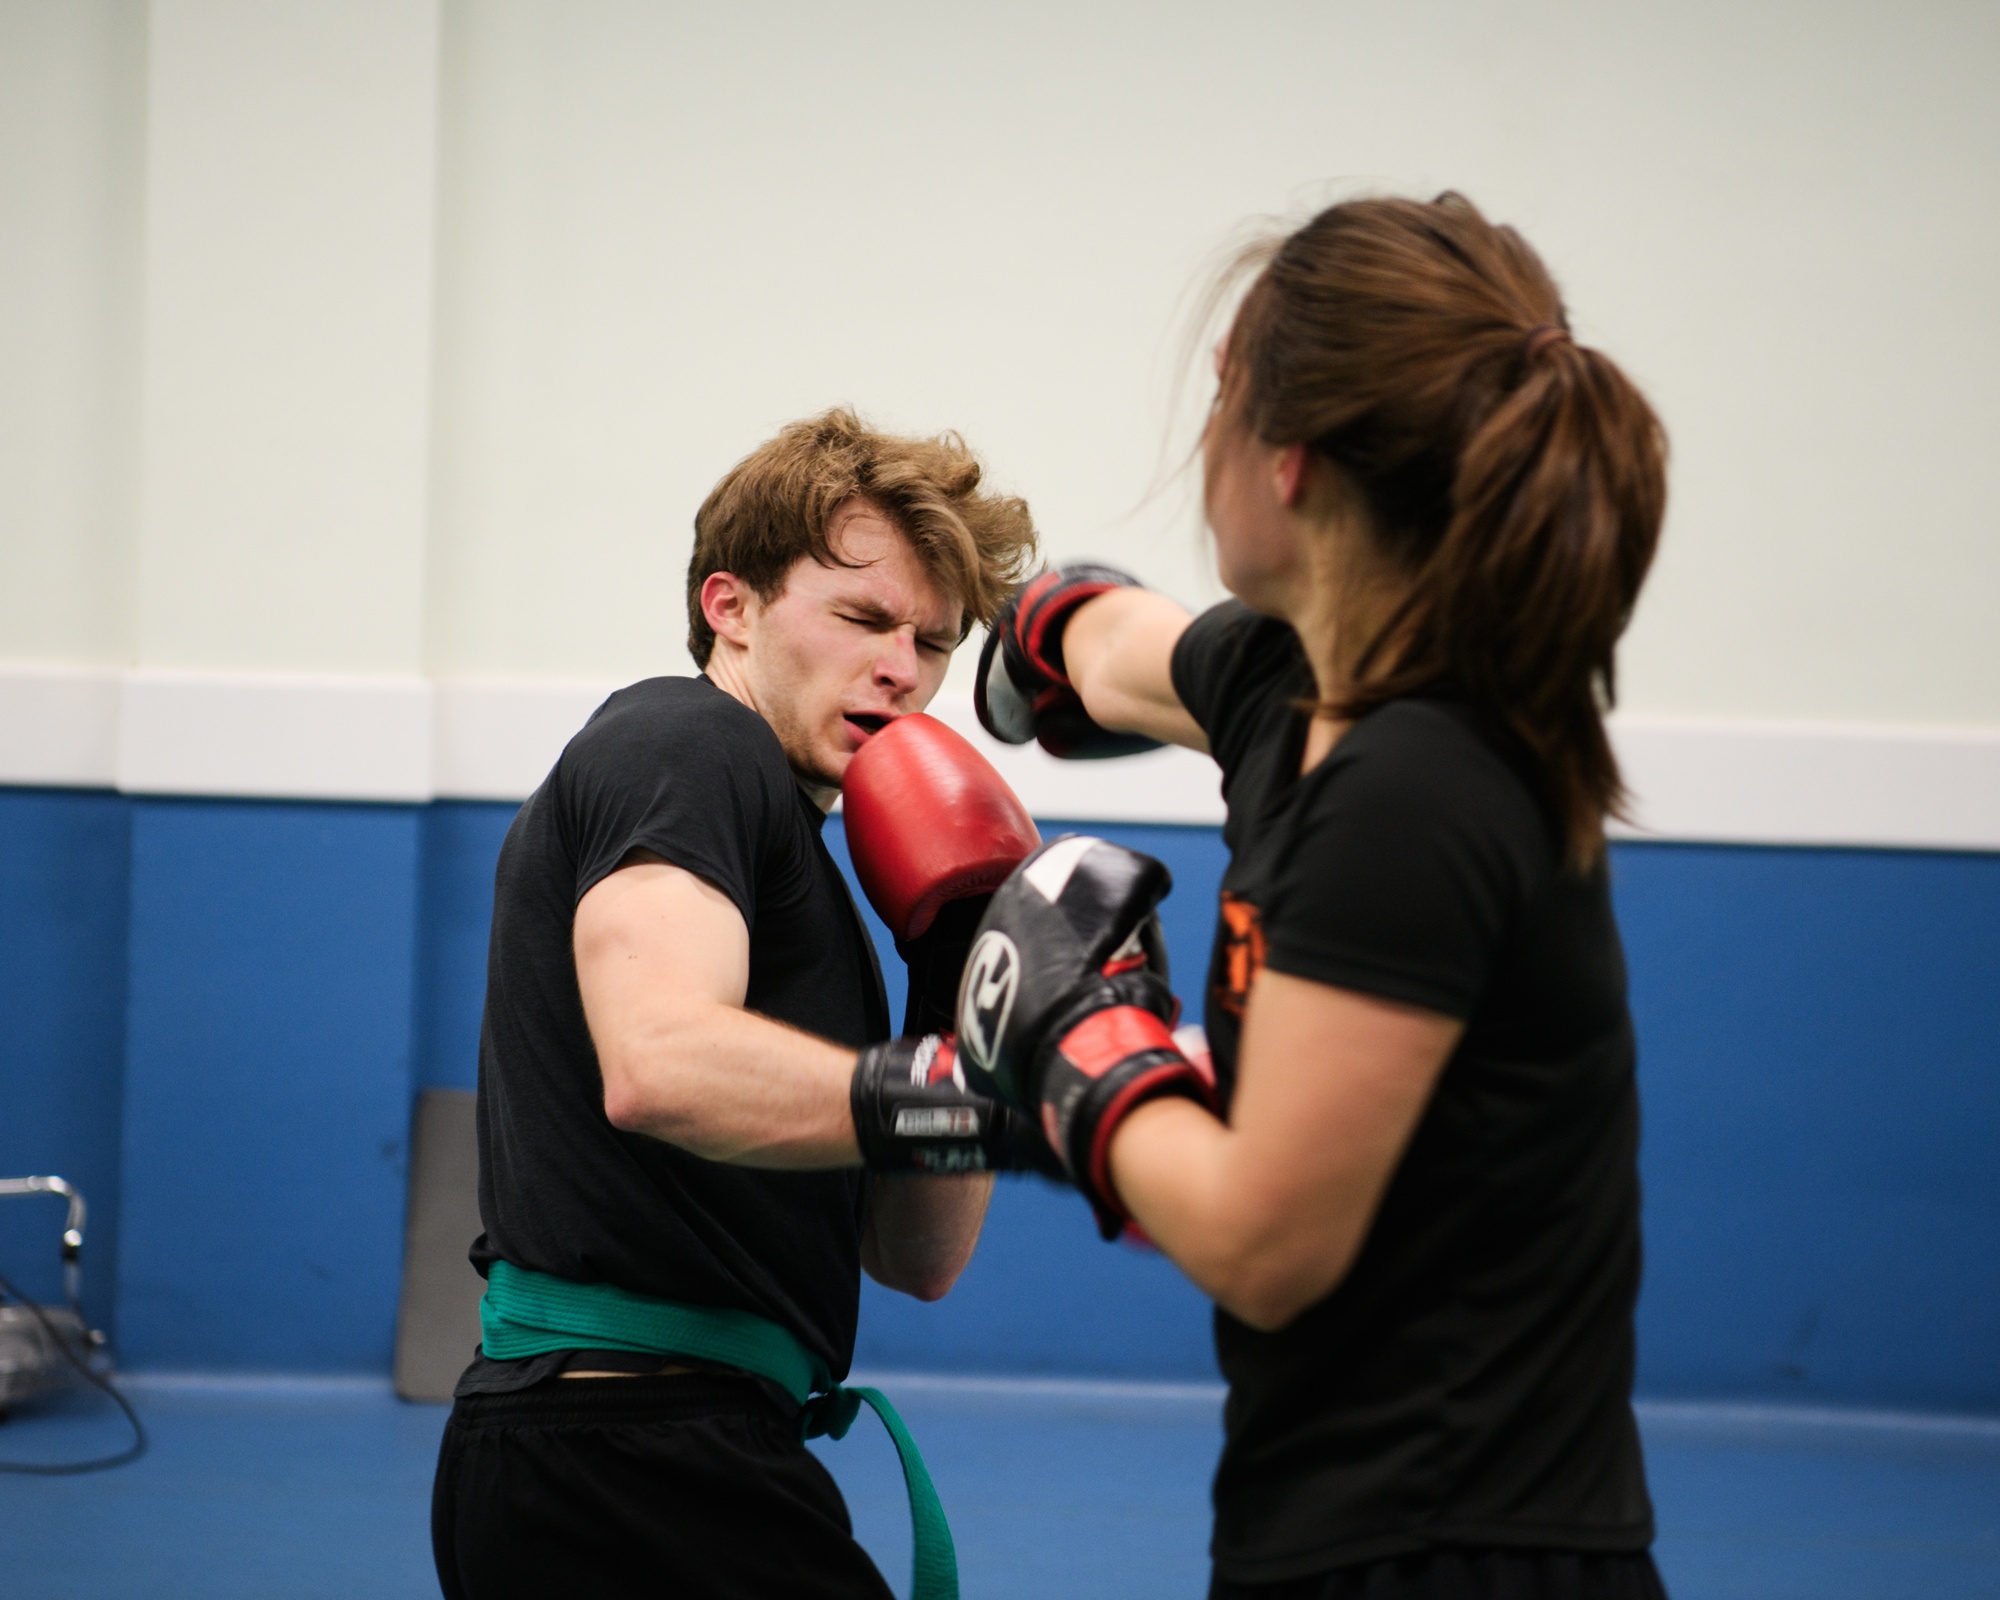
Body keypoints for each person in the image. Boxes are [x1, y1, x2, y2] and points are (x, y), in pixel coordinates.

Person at [969, 192, 1671, 1598]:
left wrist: (1073, 1044)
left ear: (1285, 462)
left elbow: (1265, 1241)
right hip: (1336, 1522)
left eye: (1218, 398)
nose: (1199, 446)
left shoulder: (1417, 787)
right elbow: (1116, 654)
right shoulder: (1290, 685)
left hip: (1451, 1548)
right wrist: (1025, 615)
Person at [430, 408, 1044, 1600]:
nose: (903, 669)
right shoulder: (684, 740)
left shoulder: (807, 872)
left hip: (682, 1444)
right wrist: (1000, 1109)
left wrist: (958, 990)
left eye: (932, 641)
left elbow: (915, 1257)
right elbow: (659, 1062)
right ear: (732, 606)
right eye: (862, 617)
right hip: (625, 1453)